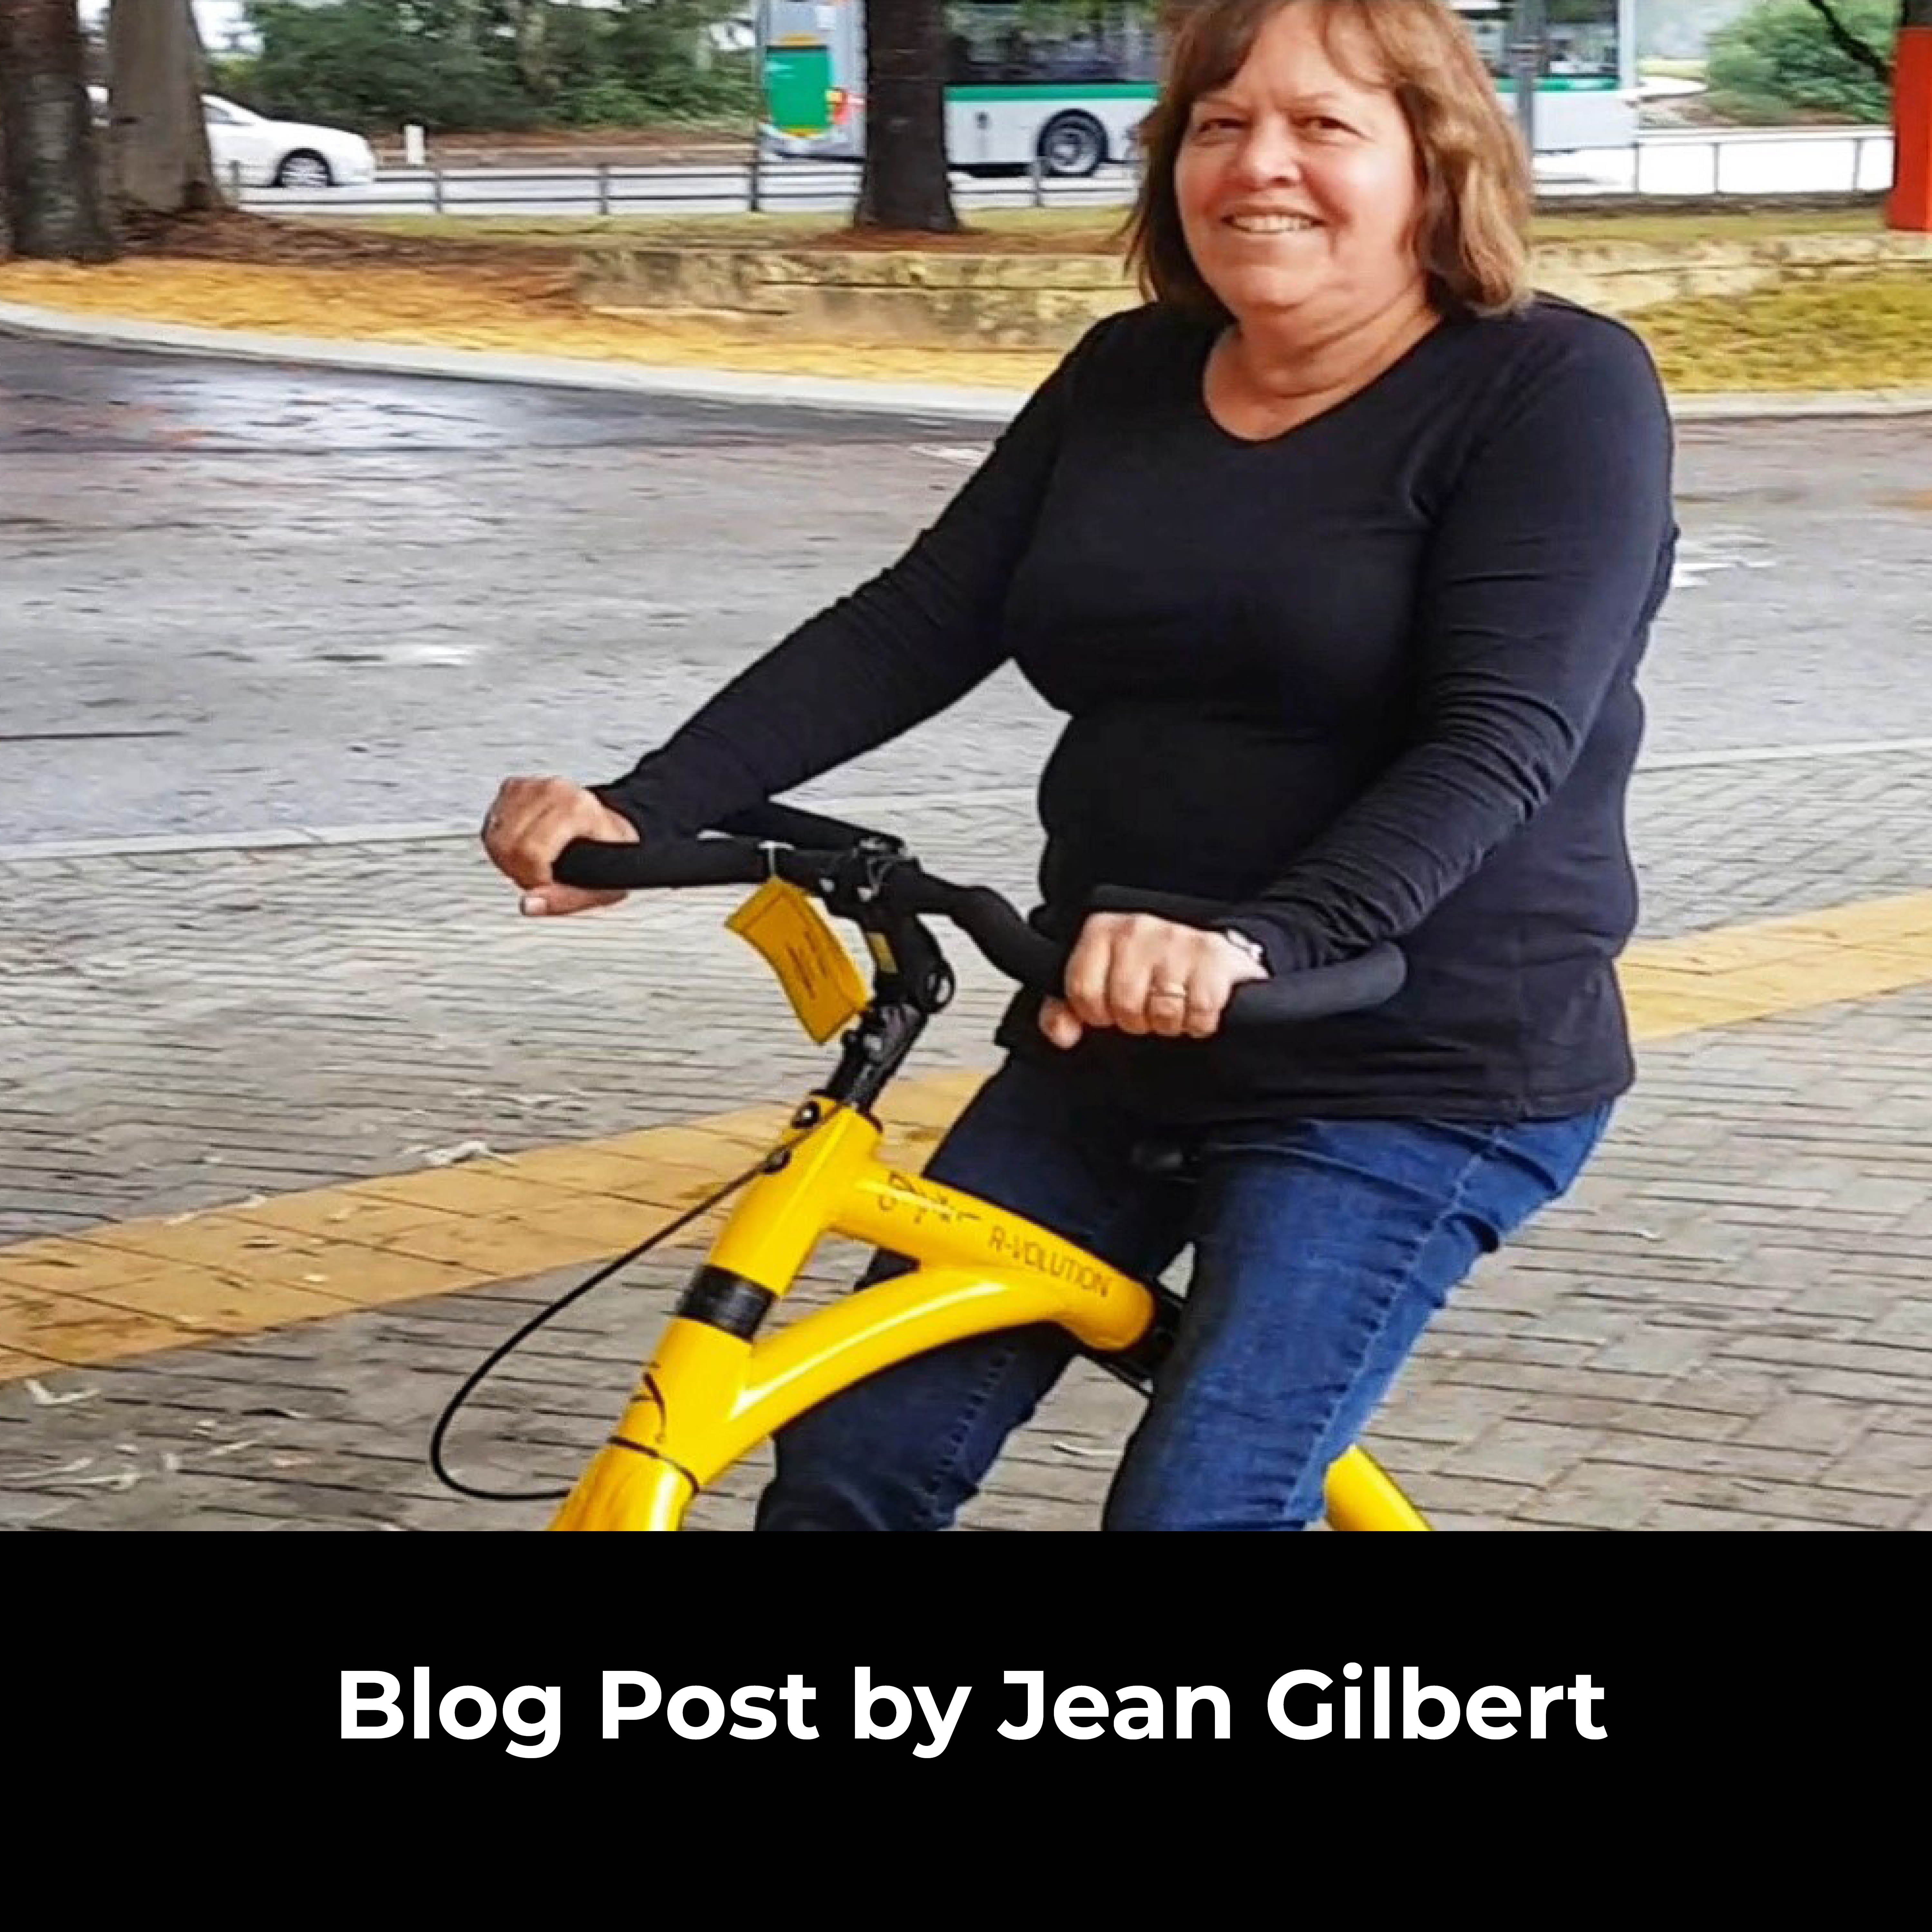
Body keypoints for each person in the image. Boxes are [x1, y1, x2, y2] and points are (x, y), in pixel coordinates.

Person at [482, 0, 1677, 1532]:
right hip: (1111, 1026)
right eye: (1223, 124)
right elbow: (917, 621)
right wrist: (646, 805)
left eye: (1326, 126)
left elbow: (1504, 735)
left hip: (1410, 1065)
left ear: (1438, 165)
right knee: (854, 1464)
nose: (1263, 166)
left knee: (1199, 1508)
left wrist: (1260, 939)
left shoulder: (1553, 388)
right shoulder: (1130, 373)